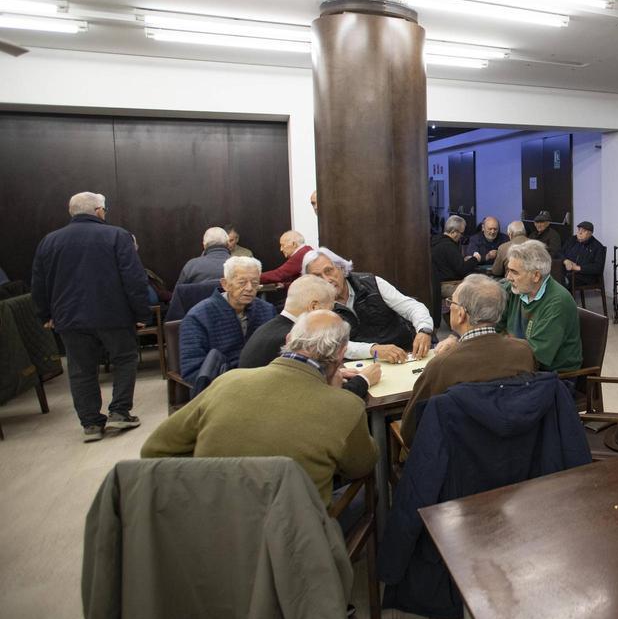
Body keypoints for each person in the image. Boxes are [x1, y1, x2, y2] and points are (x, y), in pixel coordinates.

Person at [141, 310, 378, 505]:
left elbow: (154, 449)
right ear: (341, 353)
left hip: (212, 527)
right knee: (373, 489)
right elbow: (361, 466)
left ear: (288, 340)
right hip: (296, 540)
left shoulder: (228, 381)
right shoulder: (345, 406)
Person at [31, 192, 150, 442]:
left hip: (69, 318)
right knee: (126, 358)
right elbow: (134, 278)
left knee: (81, 369)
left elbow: (39, 283)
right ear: (98, 211)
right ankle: (119, 411)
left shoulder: (49, 241)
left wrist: (45, 314)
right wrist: (141, 312)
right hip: (114, 315)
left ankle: (91, 424)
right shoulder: (117, 235)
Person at [397, 275, 537, 449]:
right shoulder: (523, 351)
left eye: (451, 303)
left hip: (459, 459)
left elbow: (411, 432)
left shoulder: (442, 365)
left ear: (461, 314)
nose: (450, 307)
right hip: (515, 449)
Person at [237, 274, 381, 399]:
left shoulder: (271, 328)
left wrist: (329, 372)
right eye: (330, 310)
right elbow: (323, 400)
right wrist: (364, 379)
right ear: (314, 307)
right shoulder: (297, 341)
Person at [303, 246, 435, 362]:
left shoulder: (372, 282)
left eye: (329, 271)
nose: (326, 280)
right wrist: (374, 350)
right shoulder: (316, 304)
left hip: (405, 351)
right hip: (360, 364)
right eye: (318, 276)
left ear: (341, 268)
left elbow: (412, 307)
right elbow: (333, 344)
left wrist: (424, 329)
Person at [179, 256, 276, 386]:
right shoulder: (198, 317)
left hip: (263, 381)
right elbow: (192, 370)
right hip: (222, 386)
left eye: (254, 283)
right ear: (225, 284)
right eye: (242, 282)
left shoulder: (267, 310)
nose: (249, 288)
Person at [500, 239, 581, 373]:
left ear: (536, 276)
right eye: (509, 271)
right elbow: (492, 323)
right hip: (521, 364)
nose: (508, 277)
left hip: (554, 378)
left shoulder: (557, 302)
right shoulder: (515, 289)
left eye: (514, 272)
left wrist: (499, 349)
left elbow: (535, 356)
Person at [431, 215, 481, 320]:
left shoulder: (435, 241)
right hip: (447, 285)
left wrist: (464, 260)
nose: (461, 237)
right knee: (476, 290)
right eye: (461, 233)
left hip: (436, 284)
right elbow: (462, 270)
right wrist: (475, 259)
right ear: (454, 232)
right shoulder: (449, 246)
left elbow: (450, 263)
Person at [563, 220, 606, 288]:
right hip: (569, 270)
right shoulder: (572, 240)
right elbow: (559, 252)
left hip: (585, 276)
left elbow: (598, 267)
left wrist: (577, 268)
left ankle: (566, 298)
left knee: (565, 279)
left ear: (590, 233)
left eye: (584, 231)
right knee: (555, 273)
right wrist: (565, 261)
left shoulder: (597, 246)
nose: (580, 232)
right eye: (579, 229)